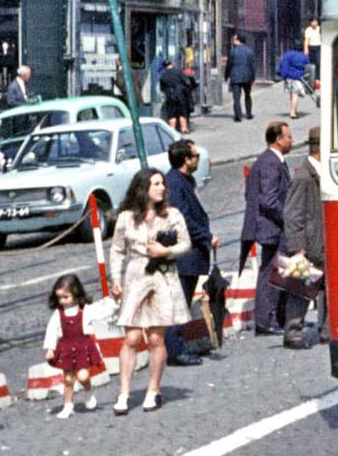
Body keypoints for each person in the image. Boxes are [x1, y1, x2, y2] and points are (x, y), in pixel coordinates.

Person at [108, 167, 192, 414]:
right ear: (143, 188)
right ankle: (124, 393)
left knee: (156, 339)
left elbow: (186, 244)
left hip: (162, 277)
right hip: (135, 277)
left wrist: (166, 251)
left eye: (162, 183)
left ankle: (153, 390)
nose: (161, 188)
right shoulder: (126, 218)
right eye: (156, 184)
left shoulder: (172, 215)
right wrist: (116, 280)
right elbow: (117, 250)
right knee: (132, 338)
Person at [163, 138, 217, 367]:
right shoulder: (175, 183)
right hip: (184, 254)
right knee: (179, 302)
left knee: (183, 301)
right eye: (195, 156)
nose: (198, 159)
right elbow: (183, 219)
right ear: (186, 160)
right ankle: (175, 350)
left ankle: (178, 345)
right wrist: (206, 236)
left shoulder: (183, 180)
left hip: (189, 253)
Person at [241, 121, 292, 336]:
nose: (291, 140)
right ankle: (265, 320)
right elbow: (269, 200)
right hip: (273, 228)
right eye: (288, 136)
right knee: (270, 273)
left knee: (276, 271)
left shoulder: (269, 160)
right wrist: (288, 217)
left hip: (272, 227)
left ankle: (277, 317)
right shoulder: (271, 163)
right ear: (278, 140)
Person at [282, 127, 327, 350]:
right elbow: (292, 214)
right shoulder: (303, 177)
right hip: (309, 246)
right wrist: (297, 247)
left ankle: (327, 330)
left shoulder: (318, 173)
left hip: (320, 244)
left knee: (326, 289)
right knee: (300, 291)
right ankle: (293, 332)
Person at [42, 274, 103, 418]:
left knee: (83, 376)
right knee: (68, 380)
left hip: (82, 348)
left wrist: (115, 302)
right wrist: (50, 348)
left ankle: (89, 392)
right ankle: (68, 406)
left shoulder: (85, 310)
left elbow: (101, 311)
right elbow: (51, 330)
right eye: (59, 297)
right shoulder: (58, 313)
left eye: (65, 297)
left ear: (76, 294)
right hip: (66, 349)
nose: (62, 301)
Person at [225, 33, 256, 123]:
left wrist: (226, 76)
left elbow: (229, 65)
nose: (233, 41)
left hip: (235, 77)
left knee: (236, 98)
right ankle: (249, 114)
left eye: (234, 39)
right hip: (247, 77)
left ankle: (238, 116)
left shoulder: (232, 52)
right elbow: (253, 66)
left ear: (238, 40)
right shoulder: (250, 51)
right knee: (247, 95)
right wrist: (253, 77)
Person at [278, 45, 311, 120]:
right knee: (295, 94)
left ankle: (293, 109)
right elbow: (307, 66)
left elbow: (283, 65)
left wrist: (283, 75)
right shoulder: (304, 56)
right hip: (298, 77)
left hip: (289, 76)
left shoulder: (287, 54)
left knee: (291, 94)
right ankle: (293, 112)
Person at [158, 59, 190, 135]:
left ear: (164, 66)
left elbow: (162, 88)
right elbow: (187, 82)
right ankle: (184, 129)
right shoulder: (178, 71)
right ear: (171, 64)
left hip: (170, 96)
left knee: (171, 114)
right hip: (180, 95)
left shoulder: (163, 75)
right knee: (182, 113)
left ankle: (172, 130)